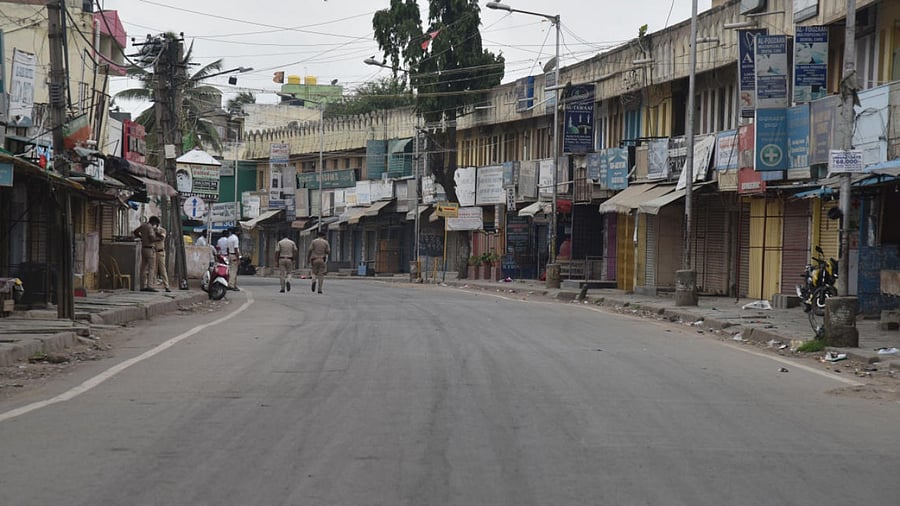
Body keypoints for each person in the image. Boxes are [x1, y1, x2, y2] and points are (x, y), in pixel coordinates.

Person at [133, 216, 162, 292]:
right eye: (156, 224)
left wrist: (142, 238)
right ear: (154, 222)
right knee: (151, 268)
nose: (155, 225)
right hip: (150, 249)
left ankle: (142, 286)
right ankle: (150, 285)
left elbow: (135, 232)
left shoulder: (143, 225)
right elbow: (151, 238)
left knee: (143, 268)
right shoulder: (150, 227)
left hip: (143, 248)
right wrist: (159, 238)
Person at [307, 230, 330, 294]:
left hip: (314, 259)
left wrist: (308, 258)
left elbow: (310, 250)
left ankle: (314, 280)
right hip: (322, 259)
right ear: (324, 236)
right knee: (321, 275)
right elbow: (328, 251)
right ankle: (320, 289)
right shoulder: (326, 242)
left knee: (313, 272)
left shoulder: (314, 241)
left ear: (317, 235)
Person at [153, 224, 172, 292]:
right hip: (153, 251)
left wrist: (156, 231)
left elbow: (162, 237)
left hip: (160, 251)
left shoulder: (162, 230)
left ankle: (166, 286)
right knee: (153, 269)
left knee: (162, 270)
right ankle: (152, 285)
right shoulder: (151, 230)